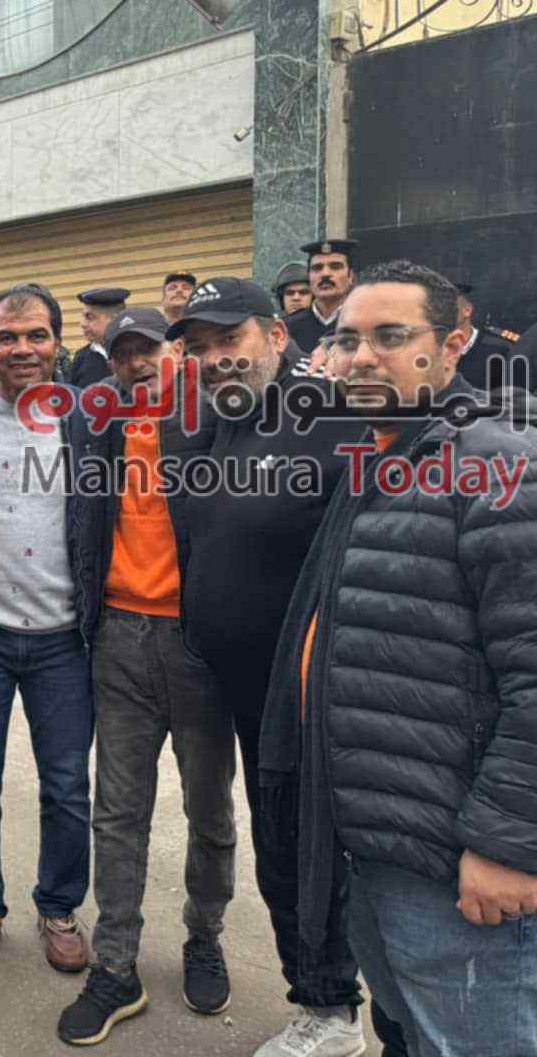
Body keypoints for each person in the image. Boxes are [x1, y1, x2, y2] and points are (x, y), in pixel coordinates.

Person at [264, 260, 537, 1056]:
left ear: (453, 345)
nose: (362, 358)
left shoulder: (497, 464)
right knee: (410, 1033)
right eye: (346, 340)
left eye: (391, 337)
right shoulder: (386, 456)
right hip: (378, 839)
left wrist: (507, 844)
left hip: (454, 862)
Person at [169, 278, 371, 1057]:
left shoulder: (333, 422)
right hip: (236, 685)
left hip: (307, 694)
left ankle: (331, 1012)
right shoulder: (216, 423)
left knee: (306, 857)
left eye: (231, 340)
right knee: (278, 849)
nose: (216, 359)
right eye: (201, 348)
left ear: (277, 337)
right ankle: (326, 999)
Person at [54, 306, 238, 1045]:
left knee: (209, 810)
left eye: (149, 350)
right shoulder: (96, 423)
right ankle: (116, 967)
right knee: (118, 814)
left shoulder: (217, 417)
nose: (136, 364)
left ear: (177, 353)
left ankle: (205, 936)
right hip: (120, 640)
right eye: (122, 353)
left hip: (197, 644)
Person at [0, 285, 94, 979]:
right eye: (7, 337)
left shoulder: (88, 419)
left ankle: (59, 907)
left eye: (37, 336)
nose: (23, 349)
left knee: (66, 786)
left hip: (65, 641)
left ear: (58, 342)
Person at [284, 239, 357, 354]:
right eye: (317, 268)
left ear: (350, 276)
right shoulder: (287, 328)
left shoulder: (363, 323)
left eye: (335, 267)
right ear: (309, 277)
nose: (325, 274)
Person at [450, 281, 518, 395]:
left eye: (449, 307)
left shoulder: (500, 349)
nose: (440, 313)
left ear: (467, 310)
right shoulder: (428, 346)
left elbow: (516, 399)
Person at [68, 288, 129, 388]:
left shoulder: (136, 355)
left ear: (115, 320)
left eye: (89, 317)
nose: (82, 324)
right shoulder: (81, 357)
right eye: (83, 317)